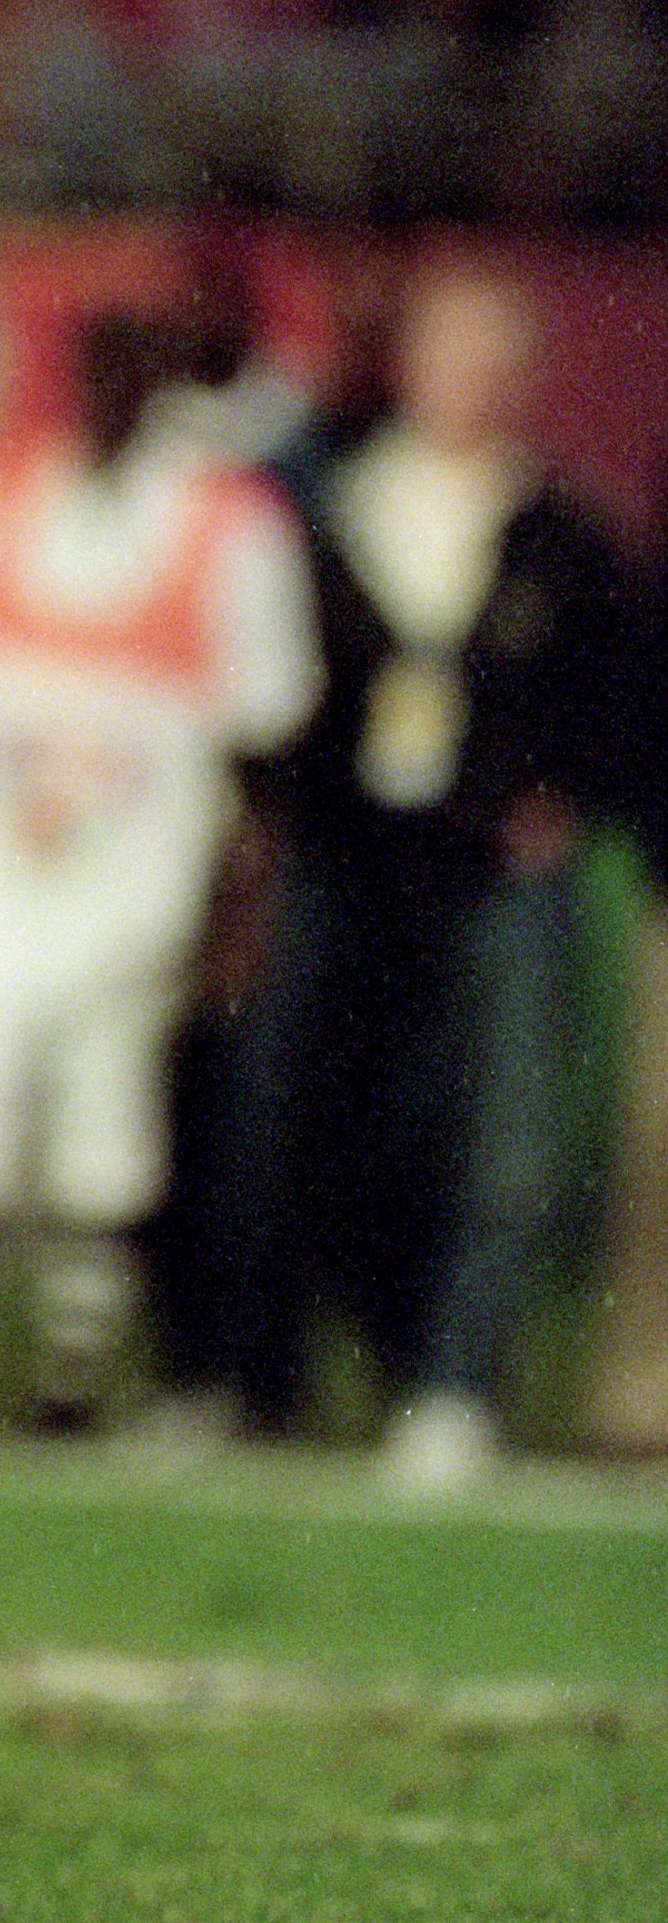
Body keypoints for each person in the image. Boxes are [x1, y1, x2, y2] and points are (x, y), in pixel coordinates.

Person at [0, 307, 321, 1427]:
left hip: (140, 881)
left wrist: (242, 904)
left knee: (106, 1130)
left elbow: (268, 737)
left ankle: (75, 1387)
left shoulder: (232, 524)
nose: (111, 393)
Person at [230, 262, 633, 1490]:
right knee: (316, 1117)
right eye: (449, 353)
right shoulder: (327, 504)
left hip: (494, 877)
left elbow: (620, 696)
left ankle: (456, 1385)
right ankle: (266, 1376)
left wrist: (561, 794)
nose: (469, 382)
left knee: (503, 1135)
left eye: (492, 359)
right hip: (347, 865)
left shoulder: (562, 530)